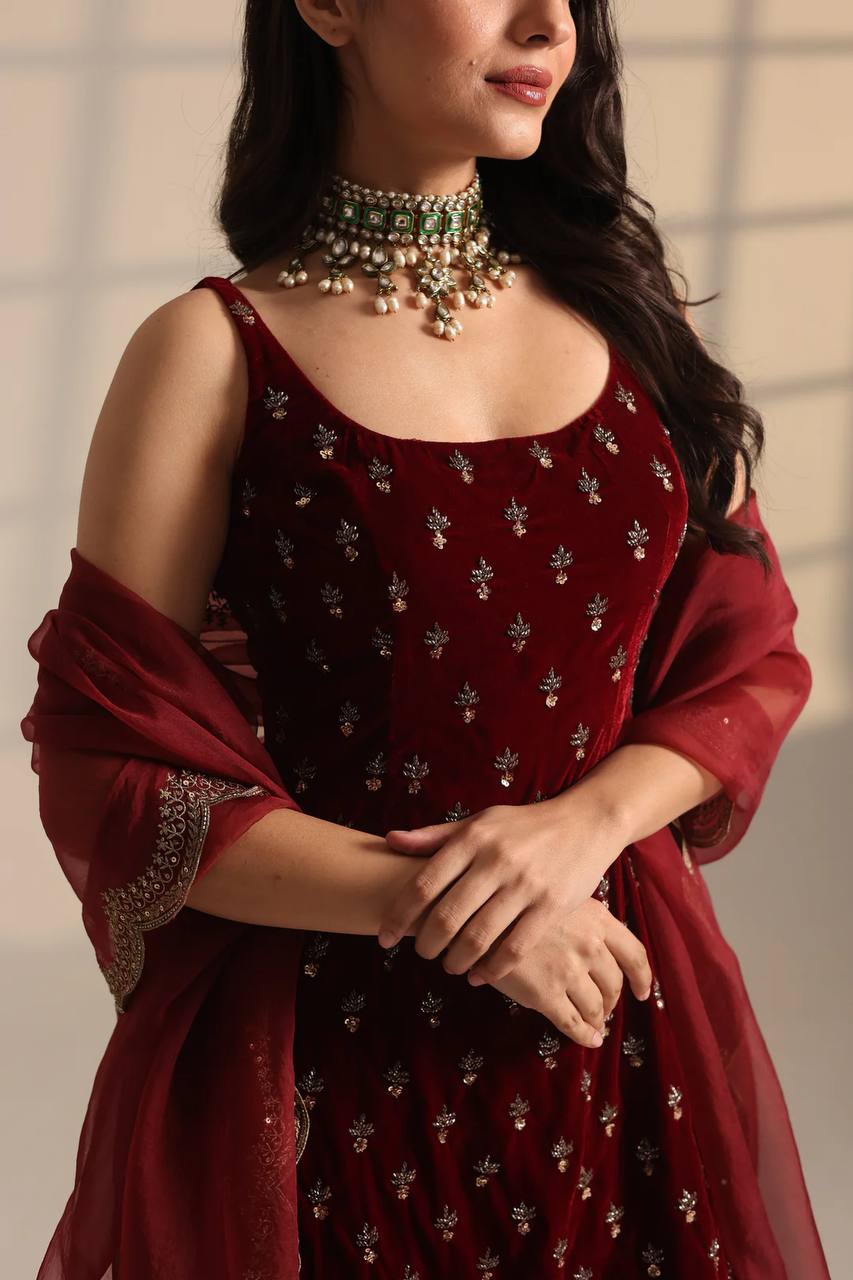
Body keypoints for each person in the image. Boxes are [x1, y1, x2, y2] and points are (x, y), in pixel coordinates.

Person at [21, 1, 831, 1277]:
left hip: (618, 1019)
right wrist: (460, 906)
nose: (548, 19)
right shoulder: (213, 353)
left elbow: (744, 659)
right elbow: (116, 768)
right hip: (339, 1059)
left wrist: (581, 826)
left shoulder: (632, 318)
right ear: (330, 5)